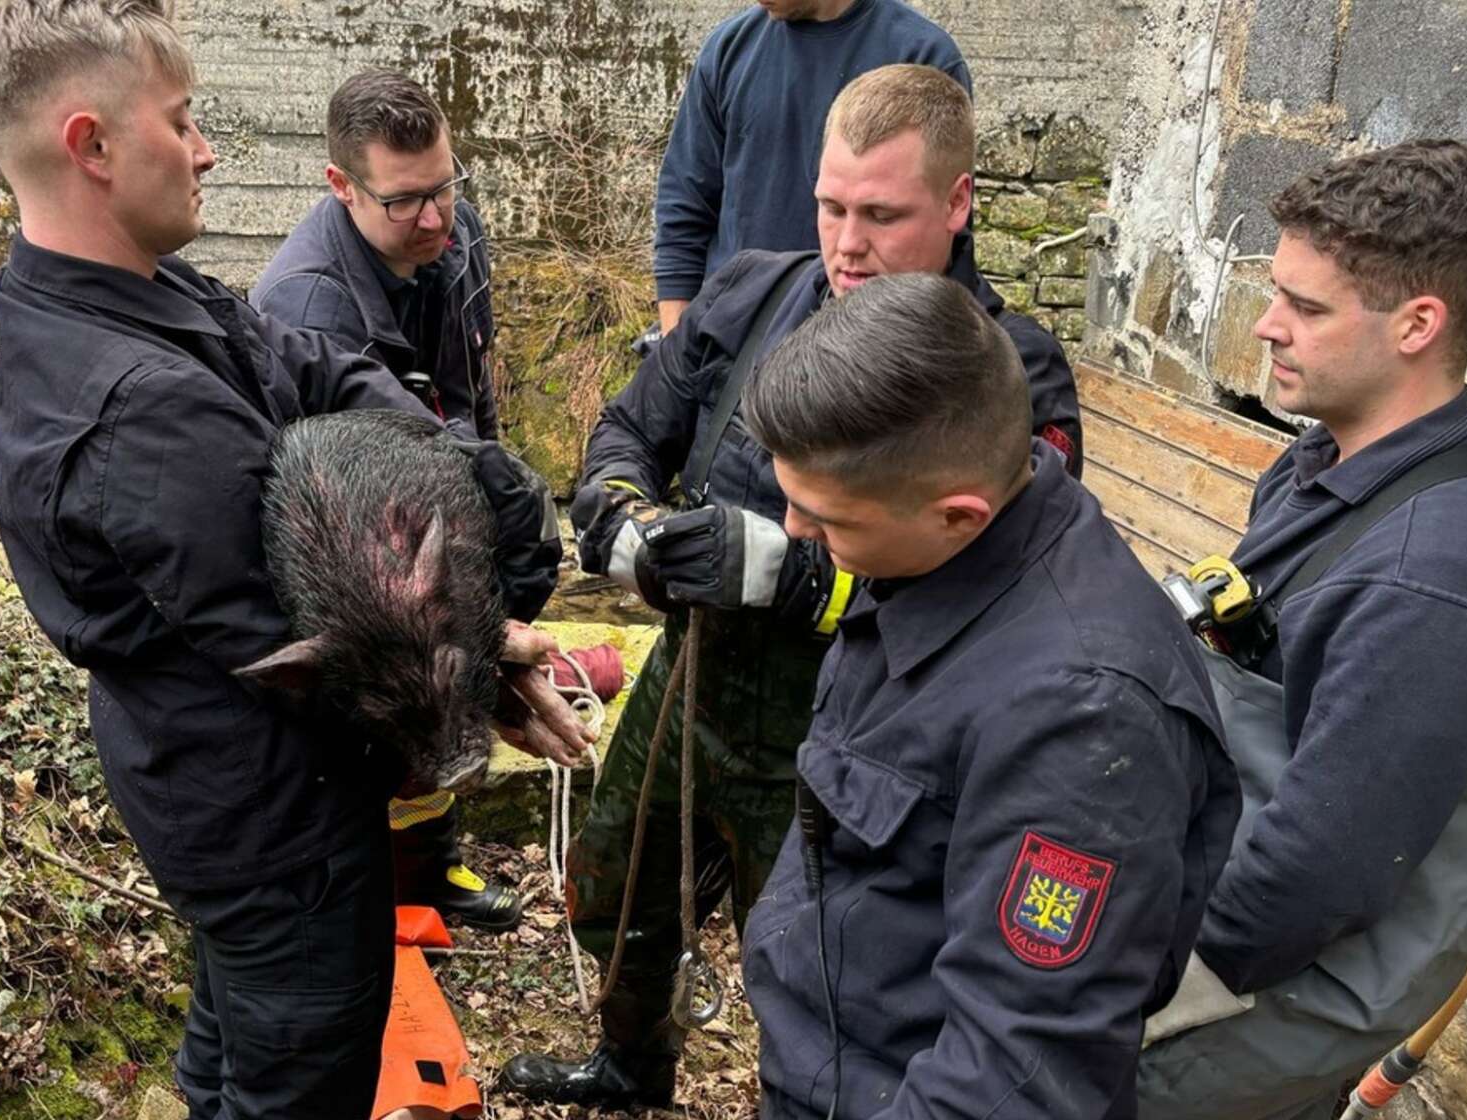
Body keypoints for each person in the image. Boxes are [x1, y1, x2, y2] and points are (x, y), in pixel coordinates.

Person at [0, 4, 587, 1117]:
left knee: (233, 1038)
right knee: (299, 1076)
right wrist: (484, 657)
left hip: (213, 795)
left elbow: (311, 368)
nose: (205, 149)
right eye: (182, 121)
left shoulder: (139, 294)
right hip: (273, 828)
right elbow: (337, 646)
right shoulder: (140, 414)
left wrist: (436, 468)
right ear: (92, 145)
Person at [501, 63, 1081, 1108]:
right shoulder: (751, 290)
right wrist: (623, 515)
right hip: (694, 684)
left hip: (851, 730)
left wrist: (782, 567)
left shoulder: (1008, 376)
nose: (848, 243)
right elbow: (634, 422)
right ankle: (633, 1065)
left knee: (822, 979)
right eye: (830, 206)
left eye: (881, 214)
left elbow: (1003, 593)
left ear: (957, 205)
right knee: (615, 893)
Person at [739, 272, 1238, 1119]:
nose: (796, 533)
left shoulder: (1081, 718)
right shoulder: (933, 552)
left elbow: (1013, 1080)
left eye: (827, 516)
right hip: (833, 1065)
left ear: (959, 514)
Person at [1136, 141, 1467, 1119]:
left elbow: (1318, 872)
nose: (1265, 326)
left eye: (1308, 308)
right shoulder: (1323, 466)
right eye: (1275, 292)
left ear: (1420, 323)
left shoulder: (1435, 577)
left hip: (1250, 992)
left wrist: (1142, 992)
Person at [250, 69, 521, 933]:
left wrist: (489, 475)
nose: (436, 218)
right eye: (406, 202)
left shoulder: (453, 233)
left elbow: (467, 383)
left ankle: (435, 865)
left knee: (449, 683)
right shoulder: (305, 307)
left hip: (448, 478)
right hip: (371, 548)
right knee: (402, 694)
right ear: (342, 185)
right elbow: (335, 500)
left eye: (445, 187)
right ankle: (390, 878)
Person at [653, 0, 972, 335]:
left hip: (865, 353)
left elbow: (947, 238)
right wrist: (676, 352)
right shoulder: (728, 51)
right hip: (730, 349)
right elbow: (683, 211)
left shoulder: (922, 57)